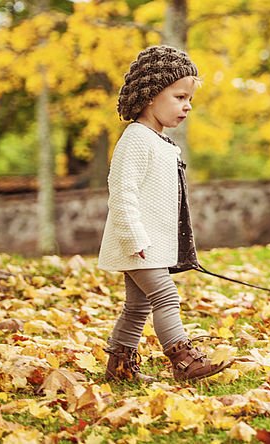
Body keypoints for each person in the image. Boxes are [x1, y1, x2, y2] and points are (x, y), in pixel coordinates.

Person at [97, 45, 230, 382]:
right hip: (138, 243)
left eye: (189, 99)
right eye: (179, 96)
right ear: (151, 95)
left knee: (138, 306)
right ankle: (184, 360)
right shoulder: (136, 139)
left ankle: (120, 367)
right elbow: (121, 192)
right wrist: (135, 237)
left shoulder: (161, 141)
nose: (187, 106)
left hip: (148, 244)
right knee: (166, 295)